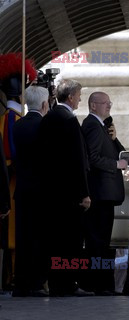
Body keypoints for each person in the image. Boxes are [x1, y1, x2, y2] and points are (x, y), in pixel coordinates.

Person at [37, 79, 93, 297]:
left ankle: (57, 282)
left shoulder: (49, 118)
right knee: (71, 241)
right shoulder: (69, 119)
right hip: (70, 196)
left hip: (51, 193)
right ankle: (67, 284)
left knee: (56, 240)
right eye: (79, 95)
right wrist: (84, 193)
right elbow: (78, 161)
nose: (80, 99)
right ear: (70, 97)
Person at [81, 92, 127, 295]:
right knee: (97, 242)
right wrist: (115, 164)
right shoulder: (91, 124)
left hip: (105, 194)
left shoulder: (101, 125)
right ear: (92, 105)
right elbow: (91, 158)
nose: (109, 106)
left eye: (110, 102)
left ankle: (102, 284)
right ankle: (97, 284)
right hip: (99, 193)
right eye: (105, 103)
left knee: (102, 240)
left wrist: (114, 139)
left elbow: (117, 150)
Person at [0, 53, 36, 292]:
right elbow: (10, 151)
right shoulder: (12, 119)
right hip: (13, 181)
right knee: (13, 233)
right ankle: (12, 275)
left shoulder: (11, 117)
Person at [11, 86, 49, 297]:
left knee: (23, 238)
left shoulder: (18, 125)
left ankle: (21, 283)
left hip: (23, 189)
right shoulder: (46, 126)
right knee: (39, 239)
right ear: (44, 105)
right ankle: (35, 282)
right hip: (41, 191)